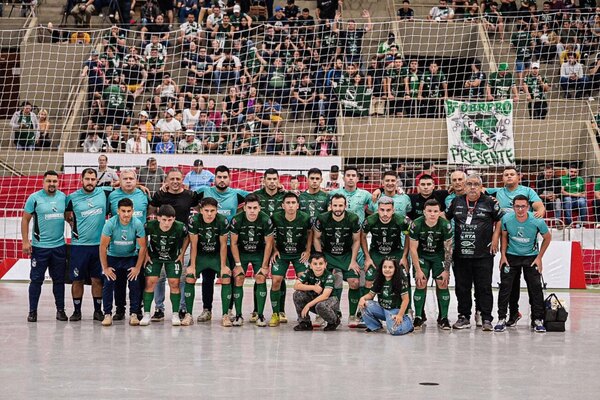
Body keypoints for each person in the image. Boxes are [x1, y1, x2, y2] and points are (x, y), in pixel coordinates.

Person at [445, 174, 503, 331]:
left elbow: (499, 220)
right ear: (464, 186)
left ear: (481, 186)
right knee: (462, 287)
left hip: (483, 253)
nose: (472, 187)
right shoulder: (456, 201)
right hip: (461, 253)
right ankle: (463, 317)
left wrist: (496, 237)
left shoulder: (490, 202)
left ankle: (486, 318)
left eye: (476, 184)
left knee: (483, 287)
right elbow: (445, 217)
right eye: (469, 183)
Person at [149, 168, 199, 319]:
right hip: (161, 241)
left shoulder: (190, 195)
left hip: (183, 242)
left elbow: (200, 209)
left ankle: (182, 308)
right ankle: (159, 309)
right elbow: (150, 211)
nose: (175, 182)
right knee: (160, 276)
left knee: (182, 276)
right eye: (172, 179)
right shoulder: (160, 195)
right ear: (166, 181)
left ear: (182, 180)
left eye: (178, 179)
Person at [497, 195, 552, 333]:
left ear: (528, 207)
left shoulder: (537, 221)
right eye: (517, 206)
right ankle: (503, 318)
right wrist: (503, 255)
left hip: (531, 257)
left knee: (535, 289)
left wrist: (539, 258)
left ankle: (537, 319)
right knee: (506, 288)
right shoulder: (507, 219)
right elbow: (504, 236)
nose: (520, 209)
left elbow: (547, 237)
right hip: (511, 257)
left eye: (523, 206)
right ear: (513, 207)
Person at [21, 171, 68, 322]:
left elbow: (68, 217)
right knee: (36, 280)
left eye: (55, 181)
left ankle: (60, 311)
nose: (52, 184)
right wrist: (25, 241)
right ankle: (32, 311)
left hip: (59, 247)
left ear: (58, 182)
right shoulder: (34, 198)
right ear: (43, 182)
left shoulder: (63, 198)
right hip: (40, 248)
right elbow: (25, 220)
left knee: (59, 281)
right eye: (49, 181)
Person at [65, 168, 110, 323]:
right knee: (77, 280)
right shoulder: (72, 197)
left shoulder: (104, 193)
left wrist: (140, 186)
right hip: (79, 246)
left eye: (93, 179)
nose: (90, 182)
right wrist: (72, 224)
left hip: (99, 246)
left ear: (96, 180)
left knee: (97, 279)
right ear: (81, 179)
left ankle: (98, 311)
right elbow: (66, 214)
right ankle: (77, 311)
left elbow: (124, 186)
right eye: (87, 179)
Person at [313, 194, 362, 326]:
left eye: (341, 205)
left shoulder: (353, 218)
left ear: (345, 206)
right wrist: (320, 257)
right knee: (330, 281)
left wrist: (353, 260)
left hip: (346, 256)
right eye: (335, 205)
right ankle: (324, 314)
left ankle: (352, 315)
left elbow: (357, 240)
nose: (338, 208)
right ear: (331, 206)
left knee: (355, 282)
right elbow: (316, 238)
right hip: (329, 255)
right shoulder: (322, 218)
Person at [99, 198, 146, 327]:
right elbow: (103, 247)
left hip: (130, 257)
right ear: (118, 211)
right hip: (113, 257)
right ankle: (107, 314)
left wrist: (137, 267)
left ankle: (134, 314)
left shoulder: (137, 224)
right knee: (108, 282)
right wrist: (106, 267)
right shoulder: (110, 224)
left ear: (133, 211)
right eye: (123, 211)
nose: (126, 214)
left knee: (135, 282)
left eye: (129, 211)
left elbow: (142, 247)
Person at [229, 194, 275, 326]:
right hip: (242, 253)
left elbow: (269, 244)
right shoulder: (237, 220)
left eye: (255, 207)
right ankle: (238, 315)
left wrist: (265, 265)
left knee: (261, 277)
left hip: (259, 253)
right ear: (244, 208)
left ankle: (260, 315)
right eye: (249, 208)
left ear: (260, 208)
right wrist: (237, 264)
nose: (252, 211)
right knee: (238, 277)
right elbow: (233, 243)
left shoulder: (266, 220)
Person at [140, 205, 189, 326]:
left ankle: (175, 314)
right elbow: (142, 237)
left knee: (174, 283)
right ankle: (146, 314)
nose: (167, 223)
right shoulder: (149, 225)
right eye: (164, 220)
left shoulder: (180, 227)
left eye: (170, 220)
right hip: (154, 257)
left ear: (174, 219)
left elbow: (187, 238)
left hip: (173, 258)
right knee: (150, 282)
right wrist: (146, 253)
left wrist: (182, 253)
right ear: (158, 218)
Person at [184, 198, 230, 326]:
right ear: (201, 210)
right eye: (206, 211)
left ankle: (225, 315)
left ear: (217, 211)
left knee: (226, 277)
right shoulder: (194, 220)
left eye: (212, 211)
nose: (209, 214)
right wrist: (192, 266)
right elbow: (193, 245)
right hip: (201, 255)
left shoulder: (222, 220)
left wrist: (223, 266)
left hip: (216, 255)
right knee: (189, 277)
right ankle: (189, 314)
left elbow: (223, 245)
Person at [269, 192, 313, 327]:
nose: (291, 206)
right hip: (282, 253)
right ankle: (276, 314)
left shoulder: (305, 218)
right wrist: (274, 250)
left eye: (293, 203)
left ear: (298, 205)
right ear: (283, 205)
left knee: (304, 281)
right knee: (276, 280)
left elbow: (311, 233)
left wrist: (308, 250)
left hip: (299, 254)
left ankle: (304, 316)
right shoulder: (275, 217)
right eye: (288, 203)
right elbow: (270, 235)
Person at [409, 199, 454, 330]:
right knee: (420, 282)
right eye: (429, 211)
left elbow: (448, 249)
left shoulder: (445, 225)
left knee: (442, 282)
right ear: (424, 212)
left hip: (438, 256)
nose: (432, 214)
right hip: (422, 256)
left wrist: (446, 270)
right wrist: (417, 270)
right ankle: (418, 317)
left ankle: (443, 317)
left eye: (435, 211)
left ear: (440, 212)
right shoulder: (416, 224)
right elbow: (413, 249)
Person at [362, 196, 411, 296]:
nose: (385, 213)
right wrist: (367, 258)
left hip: (396, 252)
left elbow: (408, 236)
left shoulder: (401, 221)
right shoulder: (370, 221)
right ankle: (365, 310)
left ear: (393, 210)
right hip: (376, 253)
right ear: (377, 209)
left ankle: (407, 309)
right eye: (382, 210)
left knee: (403, 280)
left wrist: (404, 257)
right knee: (368, 282)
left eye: (388, 210)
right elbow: (362, 237)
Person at [358, 258, 413, 335]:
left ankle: (408, 322)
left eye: (390, 267)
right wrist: (362, 298)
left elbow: (406, 300)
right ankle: (375, 327)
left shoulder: (401, 281)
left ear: (395, 269)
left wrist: (400, 315)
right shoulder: (379, 280)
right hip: (382, 309)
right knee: (365, 304)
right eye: (385, 267)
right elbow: (370, 295)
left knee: (394, 331)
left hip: (394, 311)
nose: (387, 269)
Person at [292, 252, 340, 331]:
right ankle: (305, 323)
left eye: (321, 263)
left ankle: (334, 321)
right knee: (297, 294)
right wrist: (313, 287)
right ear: (310, 265)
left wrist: (308, 305)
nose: (318, 266)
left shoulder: (329, 276)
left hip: (330, 302)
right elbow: (296, 286)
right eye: (315, 264)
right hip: (315, 300)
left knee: (320, 305)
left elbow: (325, 296)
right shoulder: (308, 272)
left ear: (325, 265)